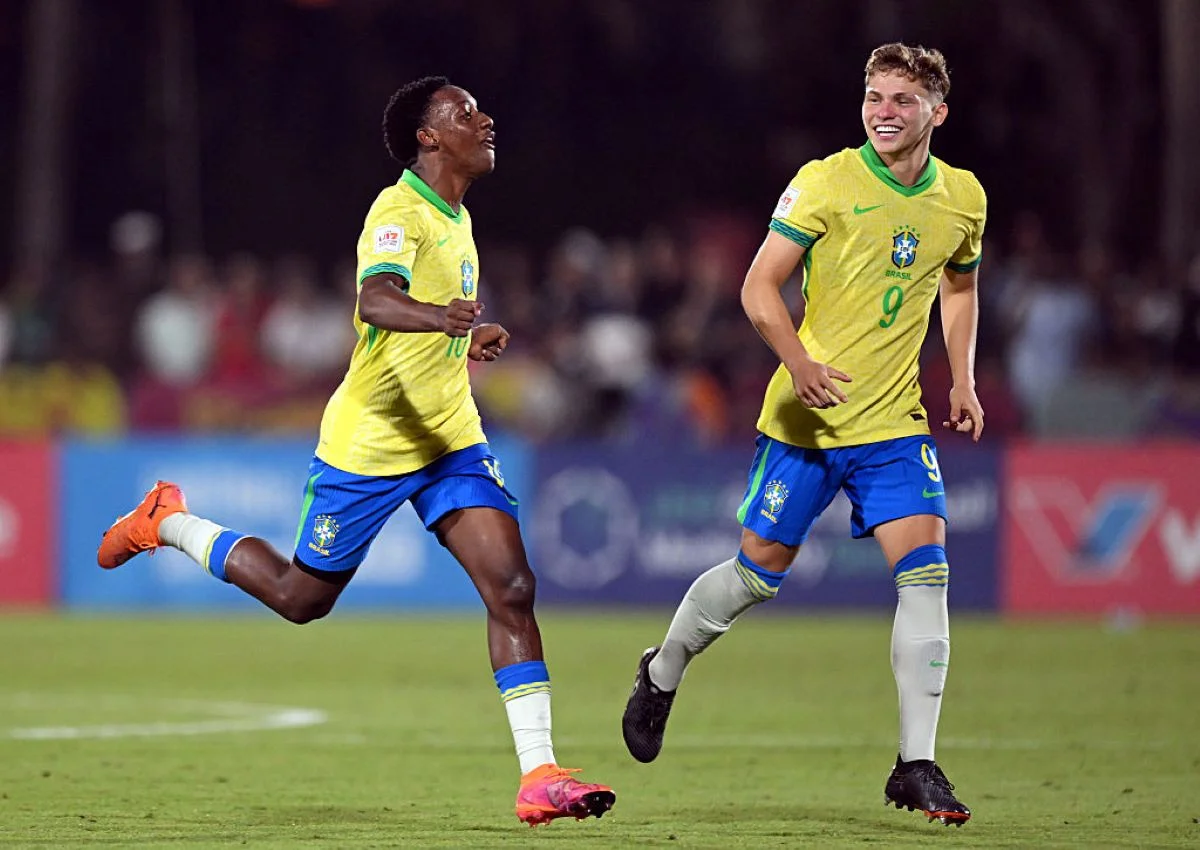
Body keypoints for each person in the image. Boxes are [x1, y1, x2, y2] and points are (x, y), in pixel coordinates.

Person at [98, 76, 615, 828]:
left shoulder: (458, 216)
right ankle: (168, 522)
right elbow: (375, 299)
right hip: (370, 442)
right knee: (300, 599)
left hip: (448, 437)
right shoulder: (397, 210)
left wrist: (464, 338)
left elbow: (420, 325)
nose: (485, 119)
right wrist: (443, 319)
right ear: (428, 138)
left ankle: (539, 775)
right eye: (465, 112)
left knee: (512, 587)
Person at [622, 43, 985, 828]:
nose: (884, 111)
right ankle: (664, 666)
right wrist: (799, 361)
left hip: (893, 425)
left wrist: (960, 377)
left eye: (902, 99)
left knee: (926, 575)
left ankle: (915, 764)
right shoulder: (826, 181)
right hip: (807, 420)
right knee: (755, 575)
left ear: (938, 112)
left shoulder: (963, 197)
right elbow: (758, 286)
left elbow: (960, 286)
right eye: (874, 97)